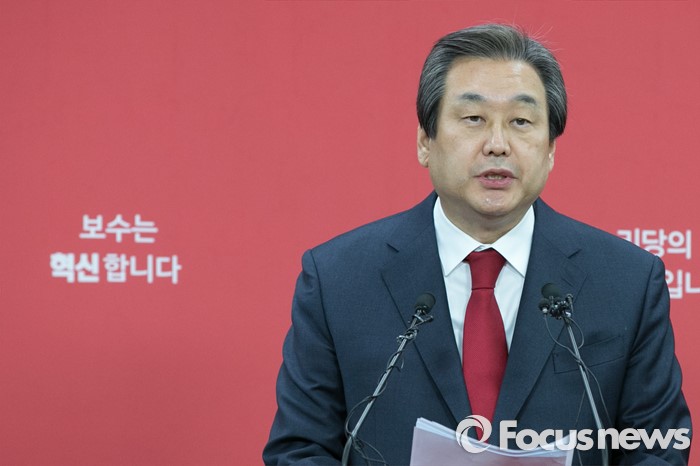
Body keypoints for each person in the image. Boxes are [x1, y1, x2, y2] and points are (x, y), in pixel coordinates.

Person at [263, 23, 692, 465]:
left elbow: (658, 448)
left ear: (550, 149)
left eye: (521, 122)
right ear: (425, 141)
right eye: (473, 119)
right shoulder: (338, 279)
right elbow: (301, 449)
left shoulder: (626, 281)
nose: (498, 145)